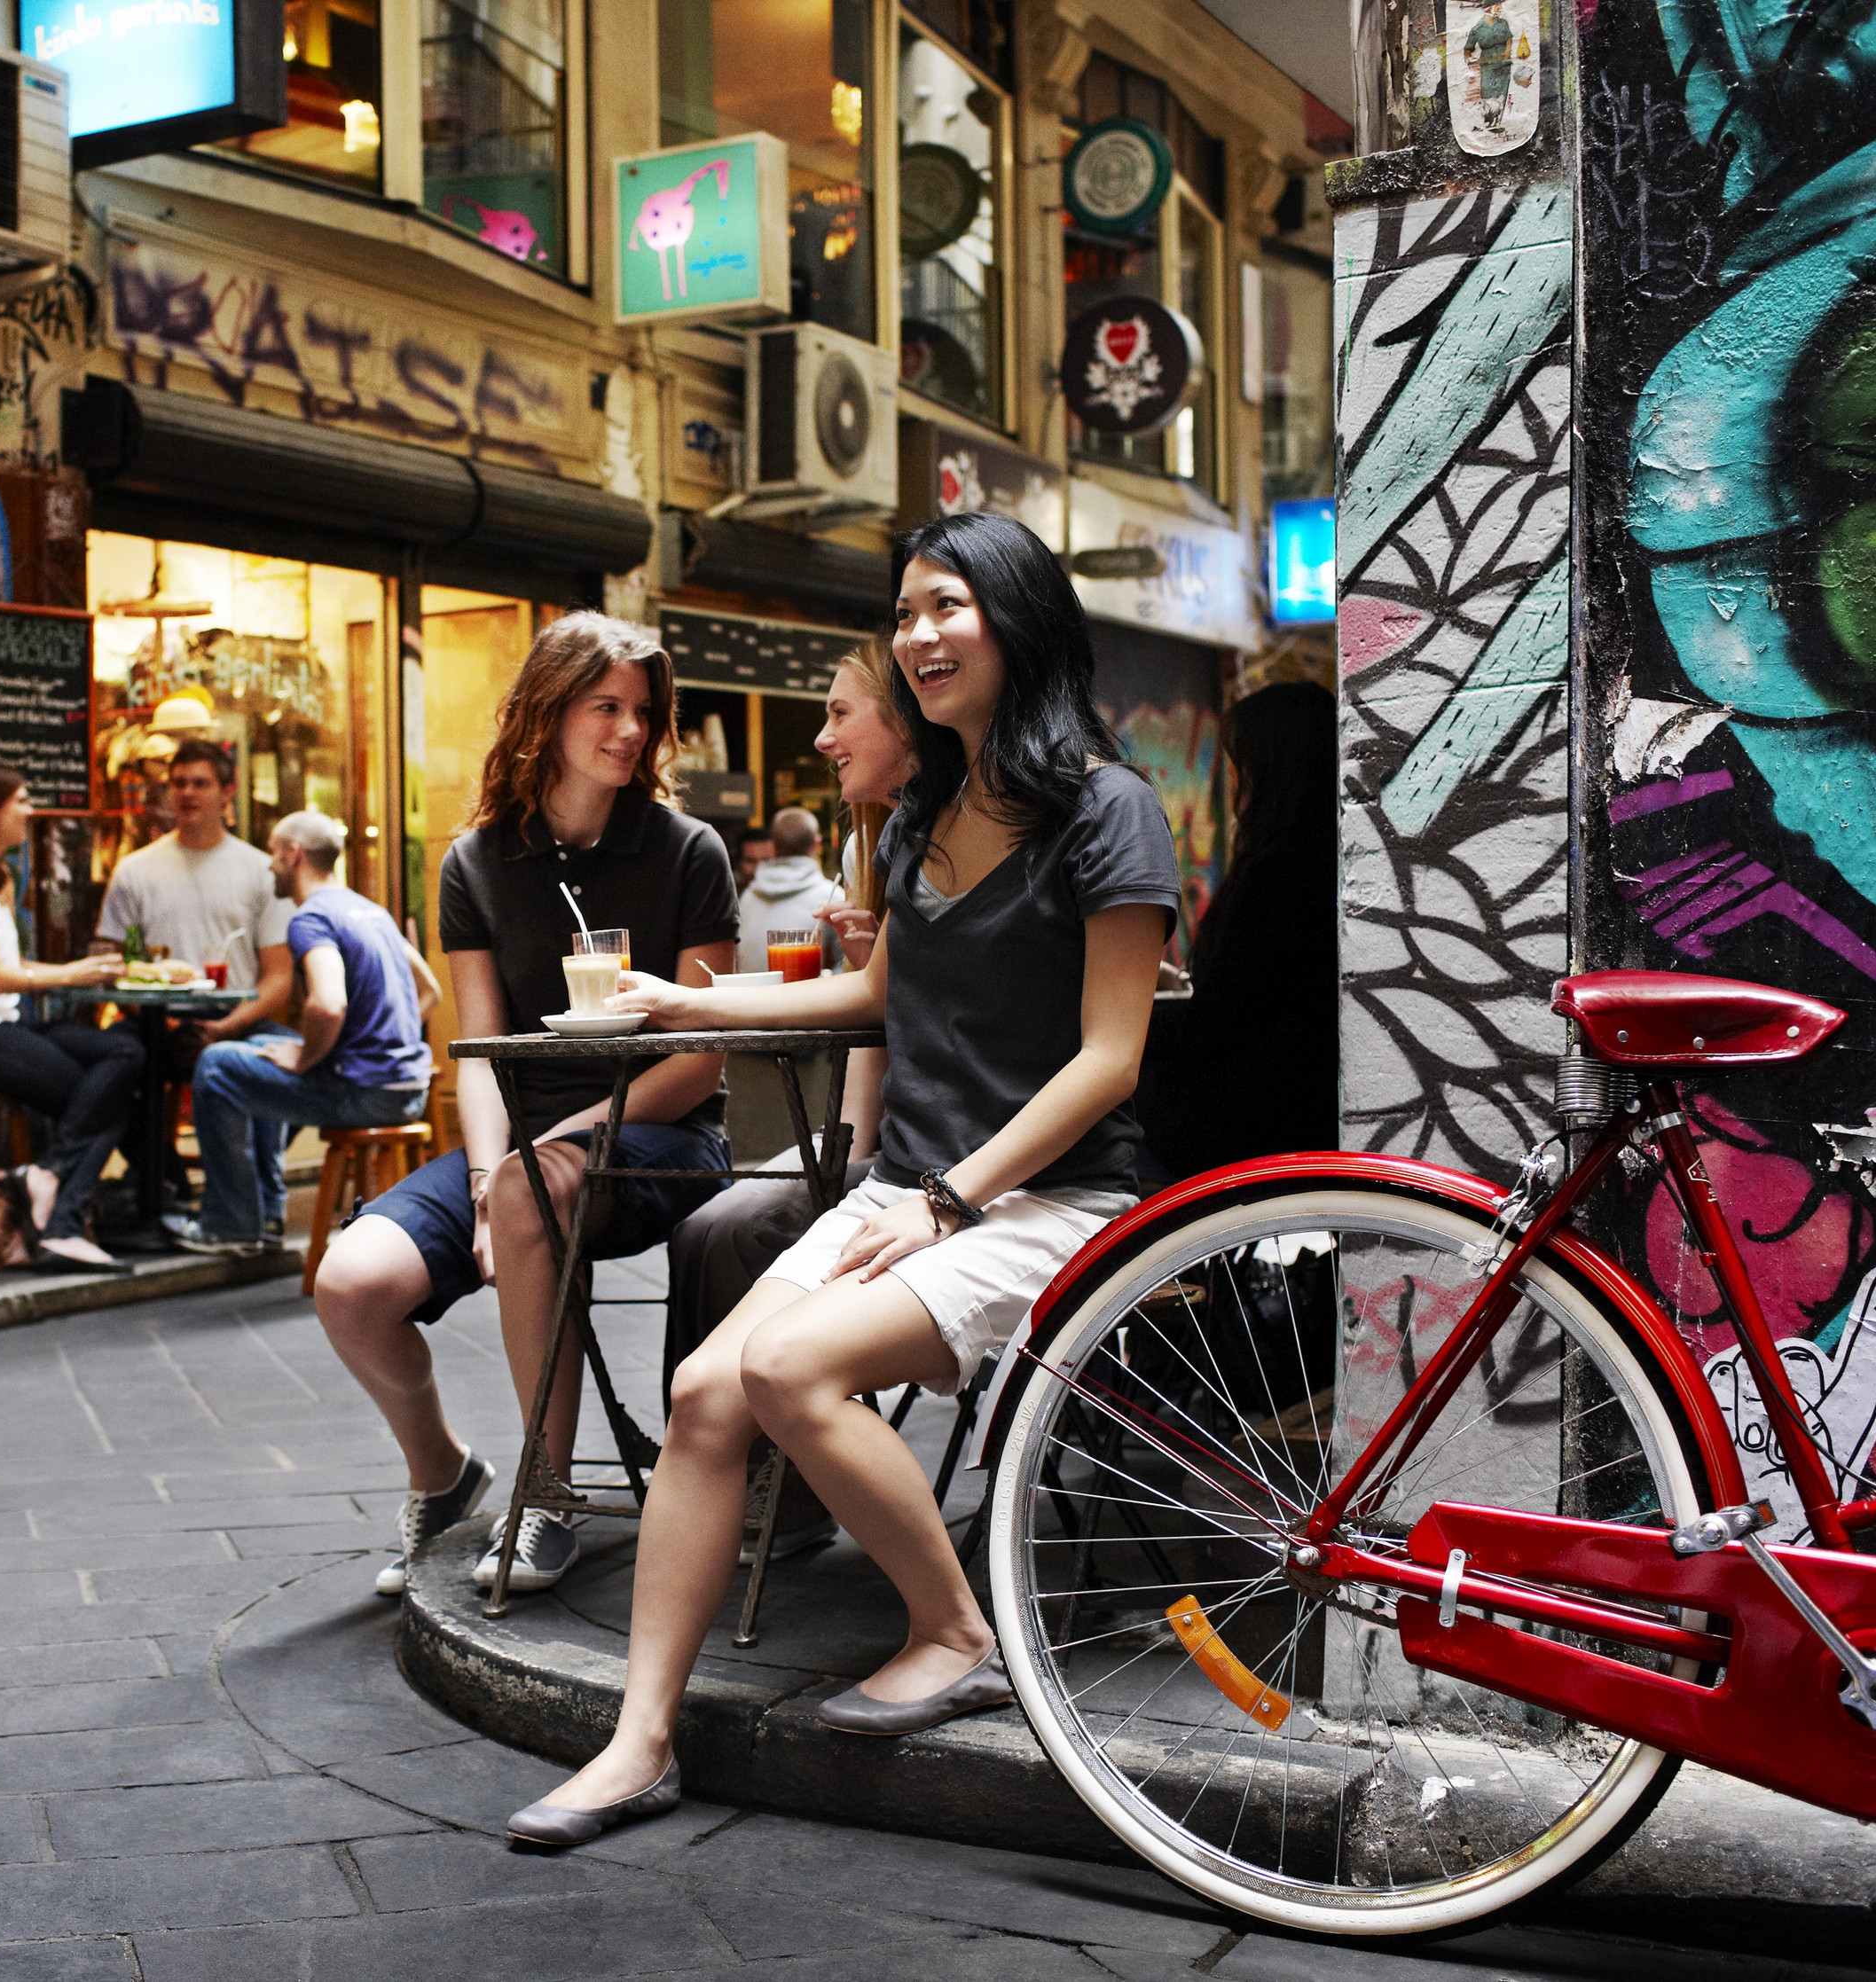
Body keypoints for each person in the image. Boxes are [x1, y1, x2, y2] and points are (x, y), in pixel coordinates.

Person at [501, 512, 1178, 1850]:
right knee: (706, 1386)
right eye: (906, 611)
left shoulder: (1110, 805)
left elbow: (1108, 1058)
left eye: (948, 607)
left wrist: (951, 1197)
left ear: (1018, 619)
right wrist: (672, 998)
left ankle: (956, 1627)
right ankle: (636, 1741)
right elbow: (874, 991)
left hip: (1050, 1201)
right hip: (912, 1186)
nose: (918, 635)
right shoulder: (921, 803)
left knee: (786, 1370)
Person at [315, 613, 740, 1600]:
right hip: (514, 1145)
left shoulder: (687, 851)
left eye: (643, 711)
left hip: (662, 1136)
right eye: (606, 707)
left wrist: (527, 1163)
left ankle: (546, 1495)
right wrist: (482, 1174)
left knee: (528, 1193)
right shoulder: (475, 863)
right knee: (351, 1285)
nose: (631, 730)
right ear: (547, 716)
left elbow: (699, 1061)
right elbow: (477, 1053)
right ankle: (445, 1472)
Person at [662, 653, 920, 1563]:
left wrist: (694, 1003)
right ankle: (718, 1475)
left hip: (947, 1162)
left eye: (840, 713)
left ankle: (783, 1488)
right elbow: (871, 1016)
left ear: (901, 720)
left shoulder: (953, 836)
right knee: (703, 1227)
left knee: (734, 1226)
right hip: (887, 1137)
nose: (822, 736)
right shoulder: (864, 846)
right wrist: (842, 1143)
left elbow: (881, 1007)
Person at [0, 757, 143, 1270]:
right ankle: (60, 1225)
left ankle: (46, 1176)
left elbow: (10, 966)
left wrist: (83, 969)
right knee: (105, 1098)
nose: (30, 811)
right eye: (21, 801)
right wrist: (72, 974)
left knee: (125, 1050)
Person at [178, 811, 442, 1255]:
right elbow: (429, 990)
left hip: (363, 1092)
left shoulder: (310, 919)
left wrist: (305, 1059)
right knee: (259, 1047)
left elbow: (328, 1002)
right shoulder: (368, 909)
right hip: (406, 1086)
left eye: (273, 853)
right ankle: (268, 1212)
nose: (269, 865)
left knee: (217, 1065)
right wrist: (387, 1041)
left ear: (293, 854)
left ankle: (232, 1223)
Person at [1141, 681, 1340, 1179]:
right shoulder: (1329, 866)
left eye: (1241, 764)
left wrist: (1121, 1022)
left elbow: (1216, 1024)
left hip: (1256, 1121)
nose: (1232, 782)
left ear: (1271, 769)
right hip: (1307, 1106)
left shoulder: (1278, 874)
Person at [94, 737, 294, 1219]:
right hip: (152, 1020)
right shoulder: (134, 870)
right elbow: (106, 959)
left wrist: (225, 1028)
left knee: (286, 1059)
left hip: (236, 1019)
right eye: (179, 783)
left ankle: (260, 1204)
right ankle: (162, 1177)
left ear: (227, 792)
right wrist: (151, 1020)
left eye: (200, 783)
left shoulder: (259, 871)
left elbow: (279, 977)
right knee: (100, 1067)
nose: (187, 793)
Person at [734, 805, 849, 975]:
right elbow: (850, 968)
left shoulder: (746, 898)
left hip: (749, 1000)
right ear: (817, 843)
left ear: (771, 846)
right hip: (806, 999)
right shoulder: (832, 897)